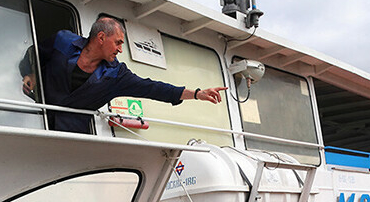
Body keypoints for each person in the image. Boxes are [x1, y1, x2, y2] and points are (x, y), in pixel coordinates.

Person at [20, 15, 228, 133]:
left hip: (71, 138)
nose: (121, 49)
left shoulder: (117, 75)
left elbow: (153, 88)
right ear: (101, 37)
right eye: (118, 42)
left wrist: (197, 93)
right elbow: (35, 54)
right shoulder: (63, 40)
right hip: (31, 121)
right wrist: (31, 74)